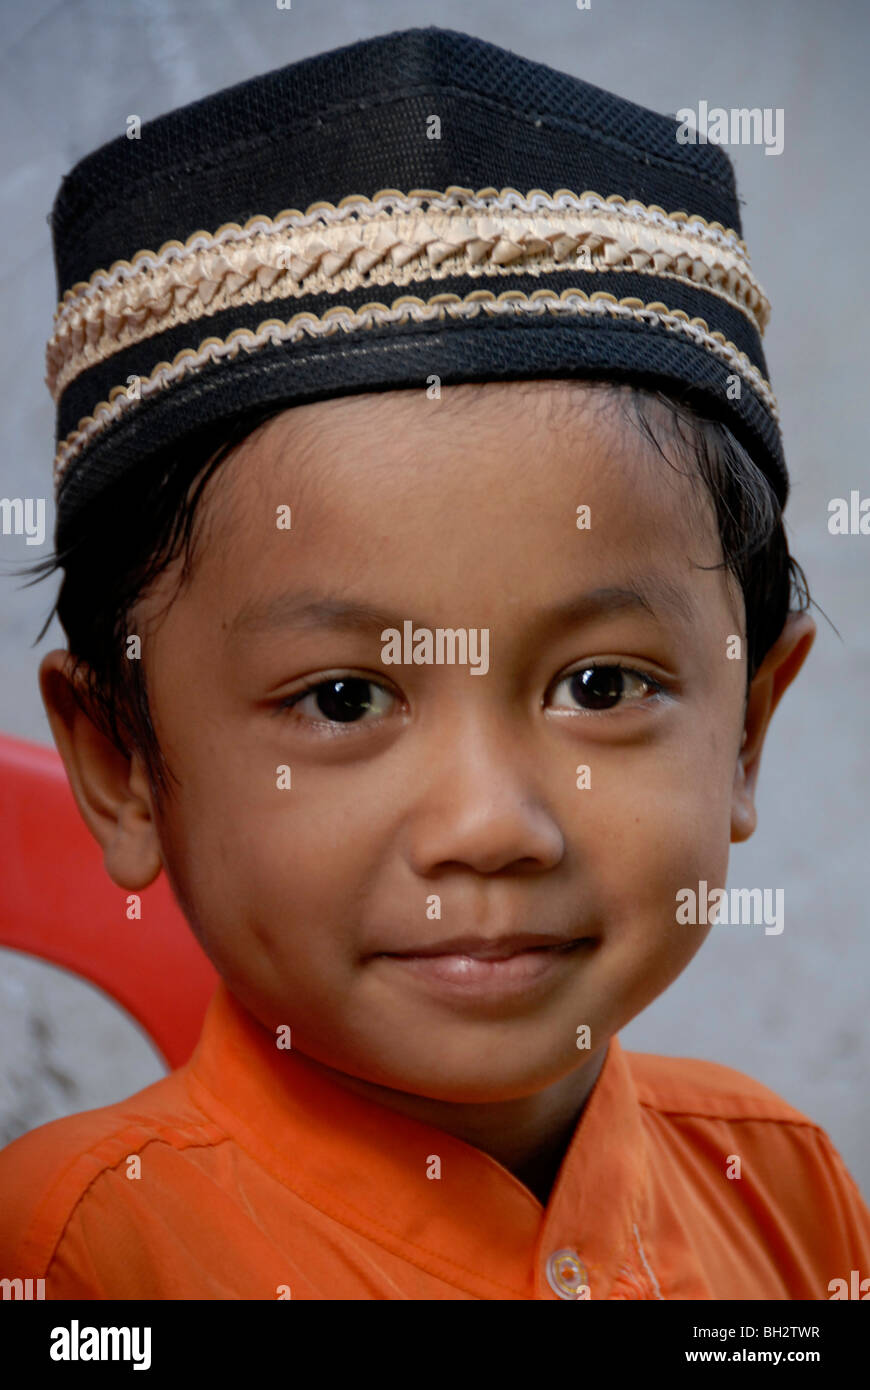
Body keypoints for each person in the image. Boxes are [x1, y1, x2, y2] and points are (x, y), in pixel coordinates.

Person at [1, 26, 867, 1300]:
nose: (491, 825)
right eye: (344, 697)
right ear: (123, 763)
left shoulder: (787, 1191)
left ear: (746, 728)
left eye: (602, 685)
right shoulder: (72, 1257)